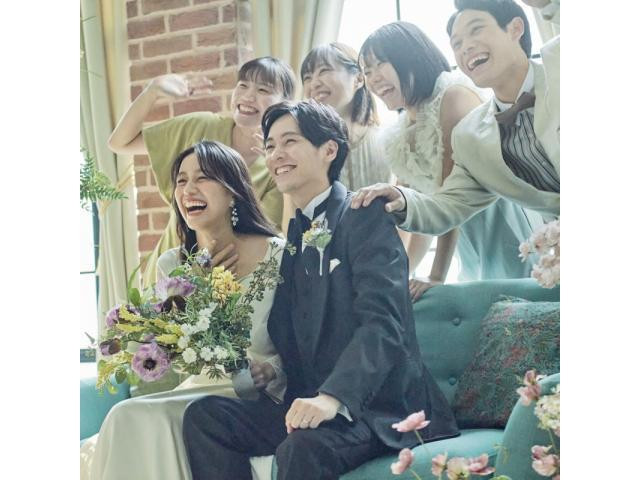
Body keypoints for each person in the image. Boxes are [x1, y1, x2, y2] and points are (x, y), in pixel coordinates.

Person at [182, 101, 459, 480]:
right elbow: (291, 329)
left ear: (329, 150)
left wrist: (333, 397)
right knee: (206, 416)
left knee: (302, 447)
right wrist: (269, 371)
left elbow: (384, 325)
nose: (276, 154)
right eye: (270, 146)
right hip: (311, 403)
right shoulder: (295, 234)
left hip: (378, 410)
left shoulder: (364, 215)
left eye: (289, 142)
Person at [81, 141, 287, 480]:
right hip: (201, 387)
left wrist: (271, 371)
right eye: (181, 180)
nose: (188, 189)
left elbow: (303, 341)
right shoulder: (172, 264)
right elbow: (177, 356)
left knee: (134, 417)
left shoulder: (277, 254)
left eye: (202, 178)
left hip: (260, 399)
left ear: (232, 192)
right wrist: (197, 289)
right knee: (124, 414)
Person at [359, 21, 540, 301]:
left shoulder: (453, 97)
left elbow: (449, 200)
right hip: (463, 240)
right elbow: (421, 217)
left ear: (409, 56)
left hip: (501, 224)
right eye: (367, 71)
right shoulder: (399, 134)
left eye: (380, 64)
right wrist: (399, 276)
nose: (373, 79)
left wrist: (436, 275)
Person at [351, 0, 560, 240]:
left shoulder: (561, 62)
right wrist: (403, 200)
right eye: (457, 44)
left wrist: (550, 5)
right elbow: (448, 204)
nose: (466, 47)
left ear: (515, 29)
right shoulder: (470, 136)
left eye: (476, 29)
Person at [108, 56, 296, 287]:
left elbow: (271, 238)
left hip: (232, 286)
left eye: (263, 89)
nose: (248, 96)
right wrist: (153, 91)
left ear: (285, 103)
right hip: (168, 276)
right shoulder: (200, 127)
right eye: (243, 85)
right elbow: (119, 142)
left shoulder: (277, 167)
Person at [300, 42, 391, 190]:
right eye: (307, 77)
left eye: (324, 71)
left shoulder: (388, 140)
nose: (314, 84)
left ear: (359, 79)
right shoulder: (304, 145)